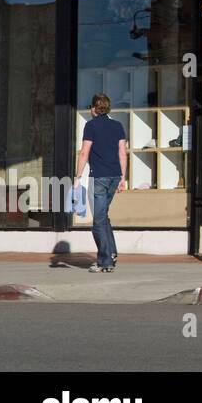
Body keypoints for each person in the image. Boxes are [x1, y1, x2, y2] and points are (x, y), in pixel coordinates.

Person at [76, 93, 126, 274]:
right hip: (114, 177)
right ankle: (111, 252)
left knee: (98, 221)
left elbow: (84, 153)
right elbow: (123, 153)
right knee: (103, 215)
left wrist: (77, 176)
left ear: (94, 108)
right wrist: (123, 178)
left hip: (99, 178)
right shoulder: (118, 125)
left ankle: (105, 261)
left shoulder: (91, 126)